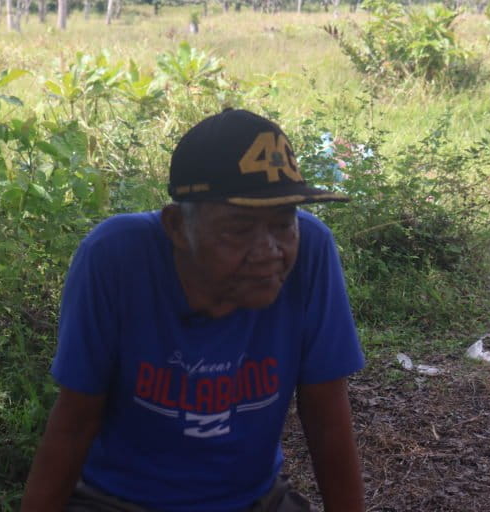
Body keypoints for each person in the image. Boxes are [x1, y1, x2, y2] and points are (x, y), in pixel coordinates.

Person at [21, 109, 365, 512]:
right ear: (176, 227)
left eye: (282, 223)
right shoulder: (115, 257)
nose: (270, 251)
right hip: (117, 501)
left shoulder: (313, 249)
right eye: (239, 229)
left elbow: (326, 418)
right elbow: (74, 422)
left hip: (254, 500)